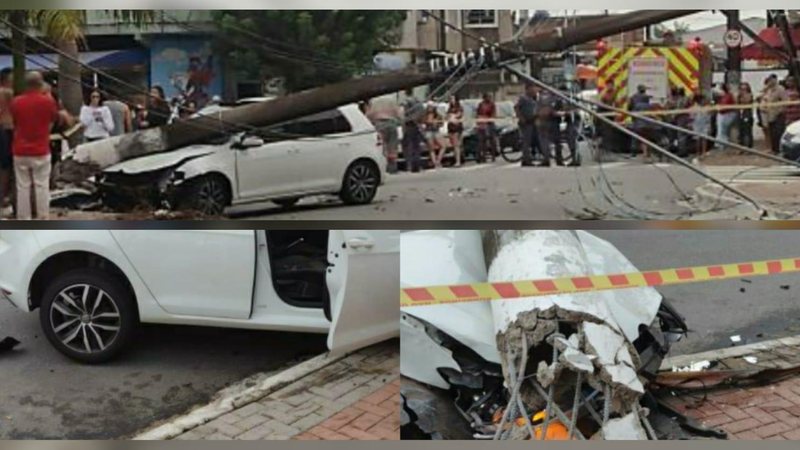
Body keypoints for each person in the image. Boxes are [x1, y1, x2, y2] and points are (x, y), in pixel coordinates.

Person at [9, 71, 62, 220]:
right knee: (41, 185)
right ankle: (43, 217)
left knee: (22, 186)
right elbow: (53, 121)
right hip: (41, 149)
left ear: (26, 84)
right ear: (40, 84)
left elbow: (15, 123)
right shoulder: (48, 102)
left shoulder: (16, 102)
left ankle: (23, 218)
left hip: (20, 149)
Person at [366, 96, 401, 173]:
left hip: (379, 124)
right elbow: (398, 113)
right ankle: (393, 167)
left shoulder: (373, 100)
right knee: (392, 145)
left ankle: (383, 167)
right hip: (391, 123)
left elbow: (369, 114)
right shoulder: (392, 99)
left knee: (382, 145)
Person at [760, 75, 788, 154]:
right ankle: (774, 149)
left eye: (772, 80)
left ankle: (780, 150)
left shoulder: (780, 89)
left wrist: (780, 110)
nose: (771, 81)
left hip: (778, 114)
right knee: (772, 133)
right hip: (769, 114)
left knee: (778, 132)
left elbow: (785, 101)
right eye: (769, 80)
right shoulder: (768, 90)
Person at [400, 88, 425, 173]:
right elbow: (422, 112)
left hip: (409, 124)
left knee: (408, 146)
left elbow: (403, 115)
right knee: (416, 146)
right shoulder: (418, 102)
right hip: (417, 124)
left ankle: (409, 166)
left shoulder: (406, 102)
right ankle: (417, 166)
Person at [0, 67, 13, 216]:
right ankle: (3, 197)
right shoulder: (7, 93)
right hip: (6, 130)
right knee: (5, 167)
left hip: (6, 129)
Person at [516, 83, 539, 167]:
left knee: (531, 141)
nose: (535, 91)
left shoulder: (533, 98)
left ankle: (530, 157)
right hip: (526, 122)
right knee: (526, 141)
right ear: (528, 89)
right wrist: (521, 118)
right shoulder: (523, 98)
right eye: (533, 89)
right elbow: (517, 108)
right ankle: (526, 160)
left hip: (533, 122)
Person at [628, 85, 652, 158]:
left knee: (635, 136)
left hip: (637, 120)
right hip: (646, 121)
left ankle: (633, 151)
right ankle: (646, 153)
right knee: (645, 137)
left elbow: (629, 108)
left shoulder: (633, 98)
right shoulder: (647, 98)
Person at [476, 92, 497, 163]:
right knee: (482, 141)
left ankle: (493, 155)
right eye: (488, 97)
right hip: (482, 123)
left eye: (490, 97)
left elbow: (494, 114)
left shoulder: (492, 104)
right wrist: (479, 120)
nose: (489, 98)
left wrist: (489, 119)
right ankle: (482, 156)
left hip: (490, 123)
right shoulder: (481, 104)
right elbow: (478, 113)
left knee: (492, 140)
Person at [715, 84, 737, 148]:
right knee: (721, 130)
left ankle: (723, 144)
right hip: (722, 114)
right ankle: (721, 143)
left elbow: (725, 106)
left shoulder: (728, 96)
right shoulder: (722, 96)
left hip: (726, 114)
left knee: (723, 130)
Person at [423, 104, 444, 169]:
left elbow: (442, 123)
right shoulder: (425, 116)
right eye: (429, 107)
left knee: (443, 146)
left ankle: (438, 160)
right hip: (428, 131)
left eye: (431, 107)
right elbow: (423, 122)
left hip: (436, 131)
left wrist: (438, 122)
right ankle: (435, 163)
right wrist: (429, 122)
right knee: (431, 148)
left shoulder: (438, 115)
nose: (430, 108)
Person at [446, 95, 465, 167]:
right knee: (454, 145)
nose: (451, 100)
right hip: (450, 127)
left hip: (456, 127)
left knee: (457, 145)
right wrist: (450, 116)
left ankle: (458, 161)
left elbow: (459, 115)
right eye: (450, 99)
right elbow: (447, 116)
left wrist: (453, 116)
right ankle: (456, 159)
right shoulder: (450, 108)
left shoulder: (459, 107)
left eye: (452, 99)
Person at [692, 95, 712, 159]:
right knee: (697, 140)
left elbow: (709, 117)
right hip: (697, 125)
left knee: (704, 139)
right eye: (703, 100)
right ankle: (698, 153)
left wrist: (709, 125)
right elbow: (692, 117)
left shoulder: (707, 107)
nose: (704, 101)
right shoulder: (695, 107)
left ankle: (704, 152)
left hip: (705, 124)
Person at [737, 83, 755, 149]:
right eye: (741, 89)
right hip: (740, 114)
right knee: (741, 132)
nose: (742, 90)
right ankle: (741, 147)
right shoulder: (739, 96)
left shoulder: (749, 95)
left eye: (744, 89)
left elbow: (746, 101)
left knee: (747, 132)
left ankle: (748, 147)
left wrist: (743, 95)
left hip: (747, 115)